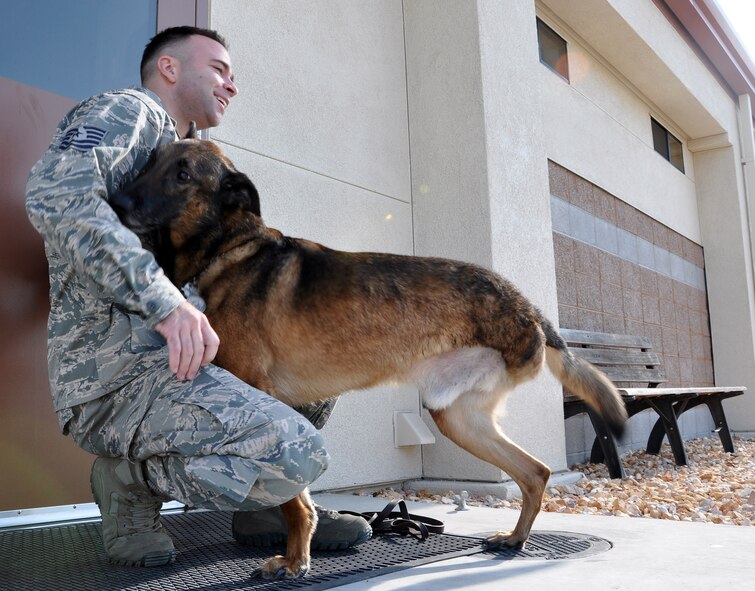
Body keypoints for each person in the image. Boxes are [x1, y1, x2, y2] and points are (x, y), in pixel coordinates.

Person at [25, 26, 369, 567]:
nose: (231, 85)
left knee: (311, 377)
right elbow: (57, 197)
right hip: (118, 378)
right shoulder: (131, 112)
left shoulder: (198, 157)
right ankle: (126, 481)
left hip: (181, 366)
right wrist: (167, 304)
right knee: (293, 451)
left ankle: (264, 509)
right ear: (169, 68)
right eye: (219, 69)